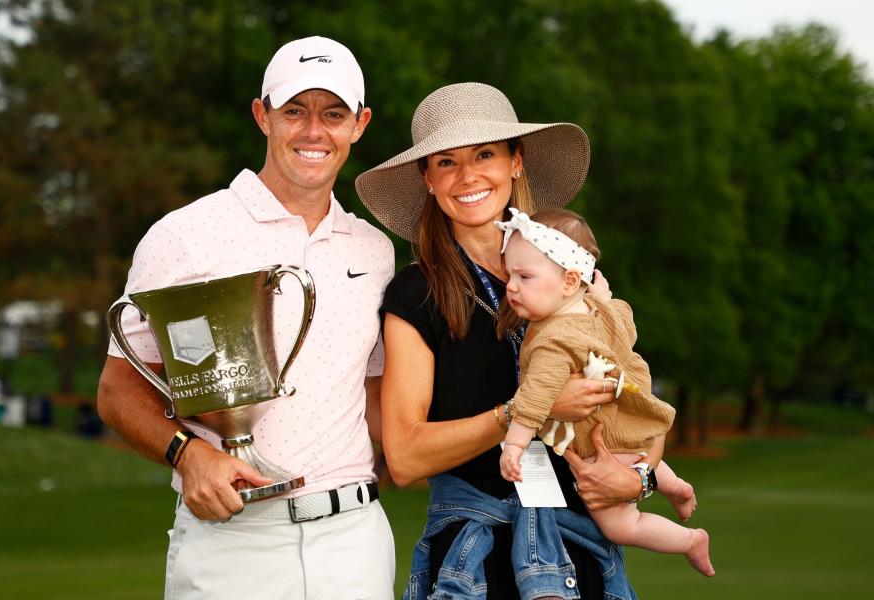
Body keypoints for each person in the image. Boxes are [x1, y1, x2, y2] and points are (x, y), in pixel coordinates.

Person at [97, 36, 396, 599]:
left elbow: (376, 395)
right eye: (294, 111)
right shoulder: (183, 235)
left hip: (355, 539)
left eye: (333, 114)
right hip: (231, 539)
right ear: (263, 116)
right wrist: (188, 454)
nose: (314, 131)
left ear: (359, 124)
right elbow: (117, 391)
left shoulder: (373, 249)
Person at [356, 82, 644, 599]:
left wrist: (639, 479)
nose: (468, 176)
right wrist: (522, 412)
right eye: (446, 162)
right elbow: (403, 456)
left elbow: (630, 401)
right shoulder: (415, 293)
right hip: (477, 560)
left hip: (582, 550)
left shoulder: (572, 272)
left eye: (485, 154)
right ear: (427, 179)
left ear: (516, 161)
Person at [495, 207, 714, 577]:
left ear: (569, 281)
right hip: (630, 429)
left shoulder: (552, 341)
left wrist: (515, 445)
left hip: (603, 450)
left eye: (525, 276)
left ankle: (689, 540)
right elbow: (625, 325)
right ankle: (674, 486)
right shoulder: (599, 311)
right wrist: (601, 297)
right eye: (509, 275)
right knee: (641, 459)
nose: (512, 287)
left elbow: (533, 401)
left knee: (621, 527)